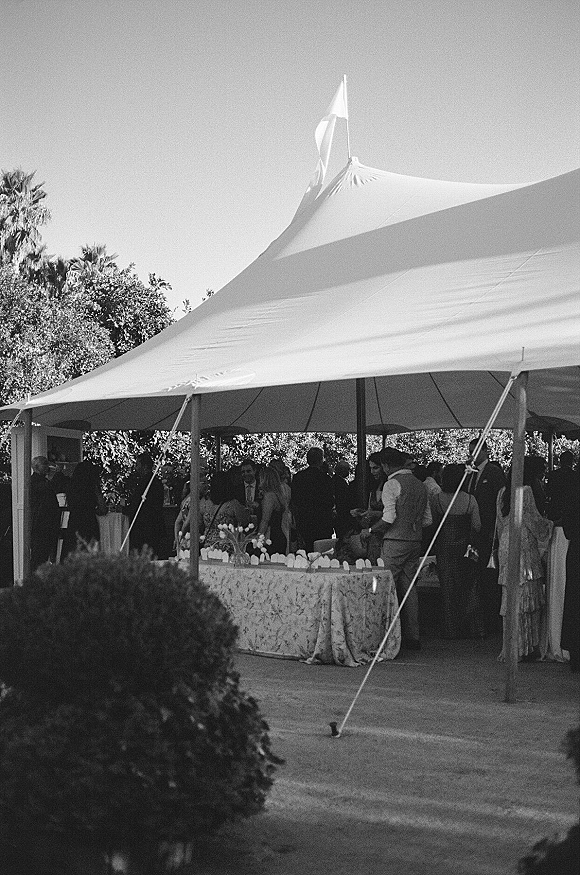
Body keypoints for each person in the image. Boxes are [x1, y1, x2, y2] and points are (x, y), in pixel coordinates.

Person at [360, 447, 429, 650]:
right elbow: (427, 519)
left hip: (394, 542)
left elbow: (389, 518)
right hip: (415, 541)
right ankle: (413, 635)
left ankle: (383, 634)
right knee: (410, 589)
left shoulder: (392, 484)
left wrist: (370, 530)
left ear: (386, 465)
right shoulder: (420, 485)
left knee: (384, 585)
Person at [496, 458, 553, 662]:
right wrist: (550, 526)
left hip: (506, 542)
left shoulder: (503, 492)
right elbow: (532, 519)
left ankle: (510, 647)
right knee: (526, 596)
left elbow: (499, 523)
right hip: (523, 544)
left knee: (510, 596)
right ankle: (524, 647)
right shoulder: (526, 491)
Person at [430, 463, 484, 639]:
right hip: (466, 547)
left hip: (444, 546)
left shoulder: (437, 499)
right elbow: (477, 525)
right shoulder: (470, 499)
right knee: (468, 585)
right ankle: (472, 626)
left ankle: (450, 628)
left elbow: (433, 523)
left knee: (447, 586)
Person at [466, 438, 506, 633]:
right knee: (476, 573)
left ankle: (492, 618)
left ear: (484, 450)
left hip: (489, 530)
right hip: (474, 532)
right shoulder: (470, 473)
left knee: (490, 575)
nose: (471, 454)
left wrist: (496, 530)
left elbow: (500, 501)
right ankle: (478, 618)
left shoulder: (494, 472)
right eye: (469, 450)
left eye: (474, 451)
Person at [291, 447, 334, 553]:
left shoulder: (298, 477)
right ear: (321, 460)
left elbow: (294, 499)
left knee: (306, 552)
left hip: (304, 521)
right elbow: (330, 501)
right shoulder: (326, 479)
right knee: (322, 553)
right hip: (323, 522)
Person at [62, 460, 107, 559]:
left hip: (74, 522)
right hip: (89, 521)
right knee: (89, 552)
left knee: (72, 550)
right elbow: (103, 509)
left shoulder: (71, 486)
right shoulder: (93, 487)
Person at [125, 452, 165, 558]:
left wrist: (124, 510)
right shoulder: (157, 482)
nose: (136, 468)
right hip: (155, 526)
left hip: (144, 528)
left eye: (138, 464)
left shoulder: (146, 483)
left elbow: (137, 505)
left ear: (145, 466)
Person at [349, 452, 385, 564]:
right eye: (370, 468)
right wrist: (362, 513)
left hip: (384, 534)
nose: (372, 472)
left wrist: (373, 514)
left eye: (376, 468)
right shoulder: (374, 486)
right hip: (373, 535)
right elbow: (371, 510)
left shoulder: (390, 485)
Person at [560, 466, 579, 672]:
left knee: (574, 599)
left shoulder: (572, 489)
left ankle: (575, 653)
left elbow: (567, 527)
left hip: (576, 549)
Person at [201, 471, 250, 550]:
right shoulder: (232, 504)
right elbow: (244, 521)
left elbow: (199, 523)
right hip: (227, 546)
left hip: (208, 546)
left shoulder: (204, 502)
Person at [30, 455, 60, 572]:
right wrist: (54, 476)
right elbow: (46, 489)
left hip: (47, 522)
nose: (47, 466)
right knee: (39, 555)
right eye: (44, 464)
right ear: (37, 467)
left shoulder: (43, 480)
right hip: (41, 523)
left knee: (45, 554)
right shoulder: (35, 481)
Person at [258, 466, 289, 554]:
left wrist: (258, 538)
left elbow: (265, 520)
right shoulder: (279, 495)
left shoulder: (269, 496)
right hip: (279, 535)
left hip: (270, 537)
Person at [332, 460, 353, 542]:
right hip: (342, 515)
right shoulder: (340, 483)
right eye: (347, 469)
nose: (348, 472)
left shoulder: (334, 480)